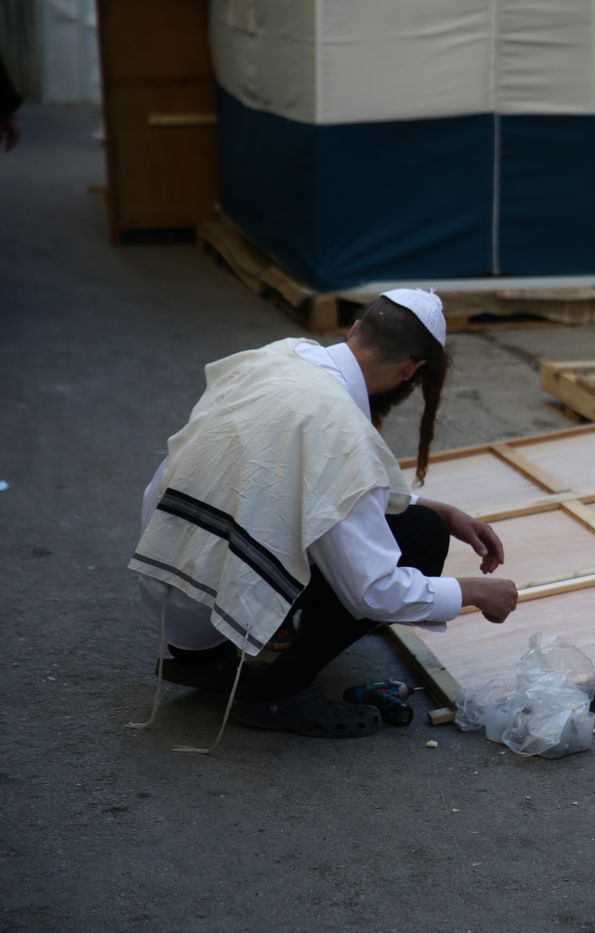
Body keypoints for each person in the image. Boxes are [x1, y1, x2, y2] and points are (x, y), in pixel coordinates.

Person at [131, 289, 518, 742]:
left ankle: (229, 654)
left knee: (422, 521)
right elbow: (372, 591)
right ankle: (275, 692)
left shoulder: (279, 357)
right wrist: (472, 591)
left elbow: (308, 484)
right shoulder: (340, 431)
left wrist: (445, 510)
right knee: (422, 539)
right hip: (216, 618)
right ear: (412, 371)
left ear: (355, 330)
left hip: (175, 597)